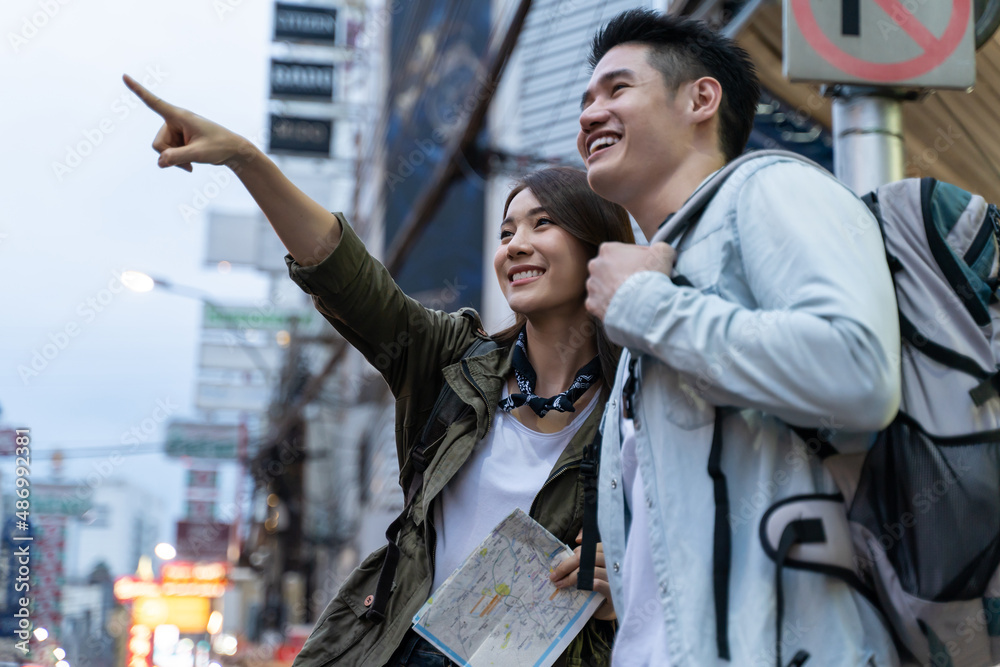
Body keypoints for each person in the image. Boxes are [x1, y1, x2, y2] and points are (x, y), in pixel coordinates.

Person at [123, 74, 635, 666]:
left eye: (542, 225)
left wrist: (626, 586)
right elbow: (348, 278)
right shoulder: (451, 363)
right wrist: (244, 157)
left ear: (598, 246)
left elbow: (697, 554)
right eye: (505, 231)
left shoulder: (638, 403)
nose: (515, 245)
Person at [576, 9, 902, 666]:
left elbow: (859, 373)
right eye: (585, 99)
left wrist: (644, 304)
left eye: (616, 89)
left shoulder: (772, 187)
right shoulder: (657, 276)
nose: (588, 115)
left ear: (700, 98)